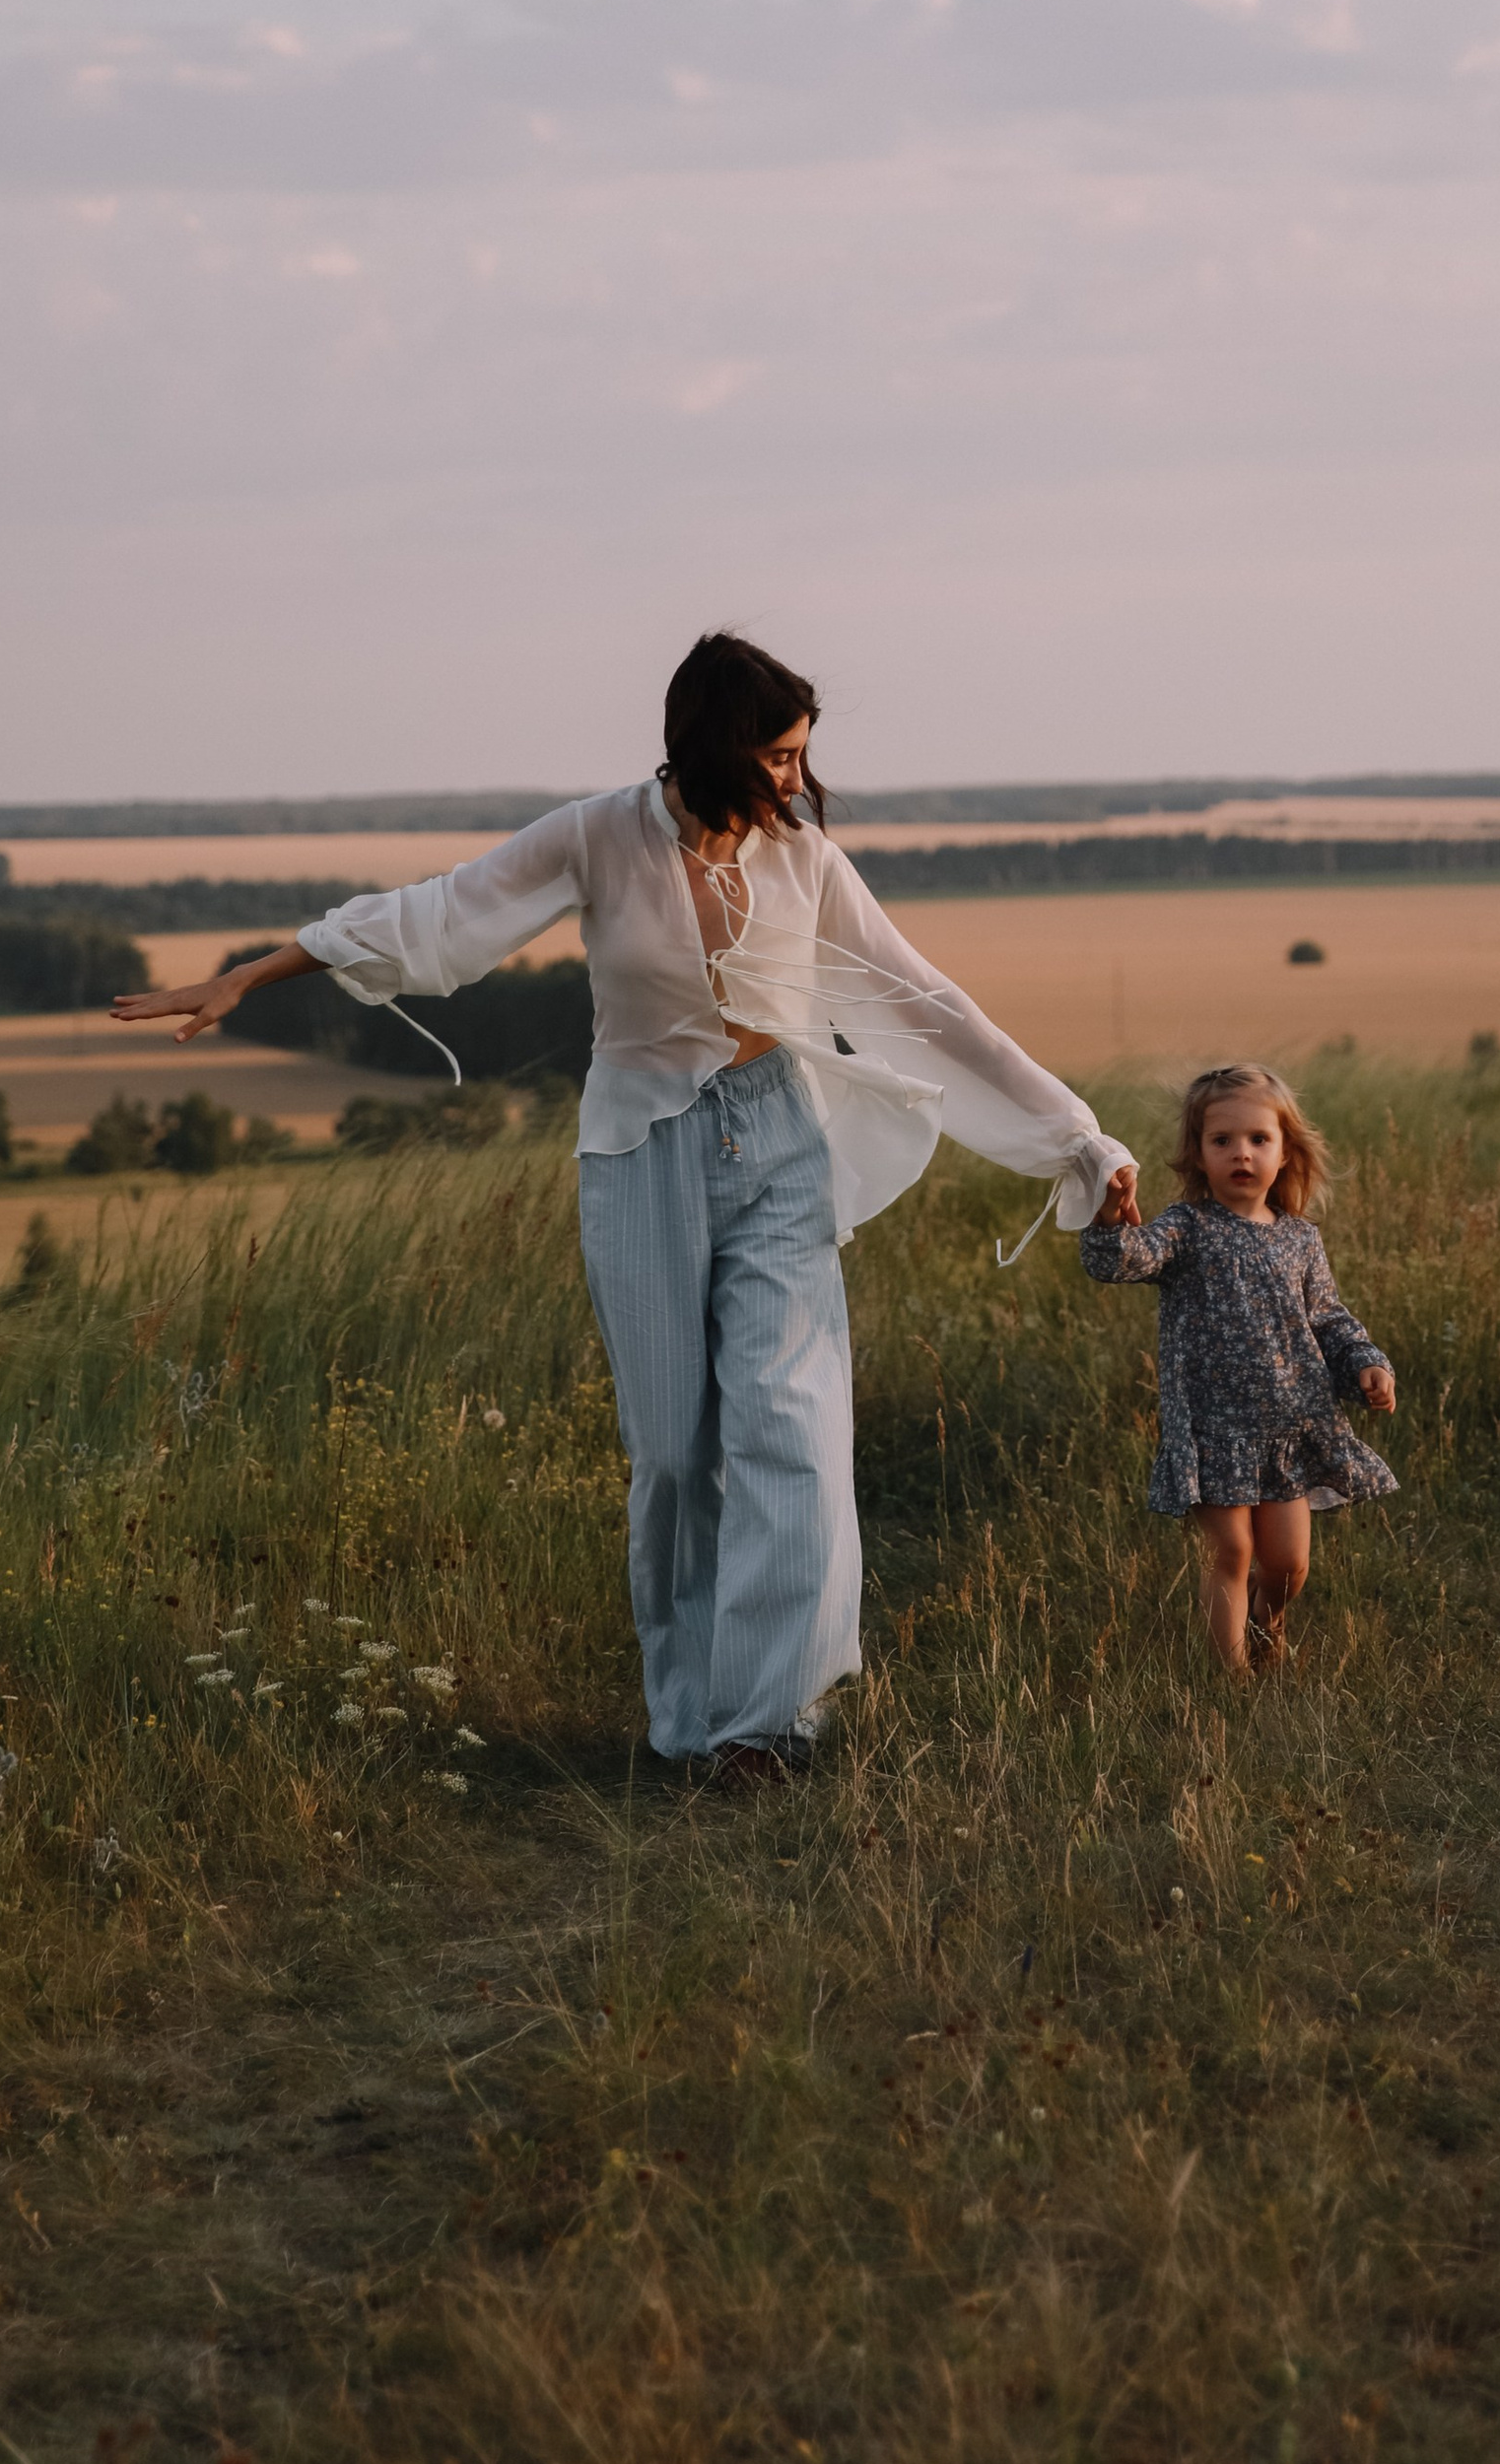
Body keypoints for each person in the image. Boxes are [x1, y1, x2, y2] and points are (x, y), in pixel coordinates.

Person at [111, 633, 1141, 1784]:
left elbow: (926, 1001)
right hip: (642, 1154)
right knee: (675, 1449)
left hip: (781, 1147)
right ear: (710, 746)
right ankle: (690, 1723)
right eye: (775, 756)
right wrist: (250, 974)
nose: (795, 779)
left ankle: (768, 1727)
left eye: (800, 754)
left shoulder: (805, 859)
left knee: (794, 1428)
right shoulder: (597, 835)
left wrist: (1076, 1136)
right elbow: (439, 913)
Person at [1080, 1061, 1396, 1673]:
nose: (1241, 1153)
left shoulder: (1299, 1238)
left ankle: (1265, 1623)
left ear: (1284, 1151)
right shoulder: (1186, 1229)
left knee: (1288, 1566)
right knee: (1231, 1551)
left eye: (1258, 1139)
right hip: (1213, 1430)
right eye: (1221, 1140)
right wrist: (1110, 1215)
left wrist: (1367, 1364)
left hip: (1289, 1428)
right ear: (1198, 1155)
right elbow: (1120, 1260)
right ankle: (1231, 1683)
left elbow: (1329, 1320)